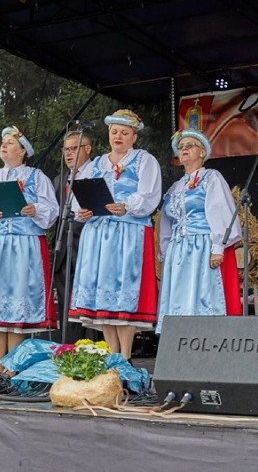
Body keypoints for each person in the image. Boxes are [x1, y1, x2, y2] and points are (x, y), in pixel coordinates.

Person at [0, 126, 60, 373]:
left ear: (23, 151)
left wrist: (34, 209)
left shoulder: (37, 177)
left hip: (22, 244)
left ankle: (13, 362)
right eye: (3, 142)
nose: (4, 146)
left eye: (10, 143)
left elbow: (52, 210)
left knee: (17, 302)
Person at [68, 109, 162, 360]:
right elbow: (79, 195)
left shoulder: (144, 160)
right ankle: (113, 354)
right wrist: (83, 211)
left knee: (123, 292)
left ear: (134, 137)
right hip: (99, 234)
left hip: (128, 232)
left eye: (124, 132)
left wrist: (127, 206)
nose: (118, 136)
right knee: (104, 295)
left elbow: (149, 195)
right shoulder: (96, 163)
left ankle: (127, 354)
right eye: (114, 132)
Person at [156, 129, 241, 333]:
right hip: (179, 250)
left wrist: (218, 247)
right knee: (180, 297)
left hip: (202, 245)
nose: (184, 149)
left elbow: (220, 210)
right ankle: (182, 341)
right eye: (181, 147)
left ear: (203, 153)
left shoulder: (210, 178)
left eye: (189, 145)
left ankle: (206, 339)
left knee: (203, 294)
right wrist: (166, 250)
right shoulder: (176, 186)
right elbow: (166, 222)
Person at [52, 130, 94, 342]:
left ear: (87, 149)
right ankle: (68, 347)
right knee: (66, 297)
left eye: (73, 149)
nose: (68, 154)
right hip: (65, 244)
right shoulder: (61, 178)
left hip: (88, 243)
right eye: (65, 149)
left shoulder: (97, 172)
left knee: (86, 299)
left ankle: (92, 347)